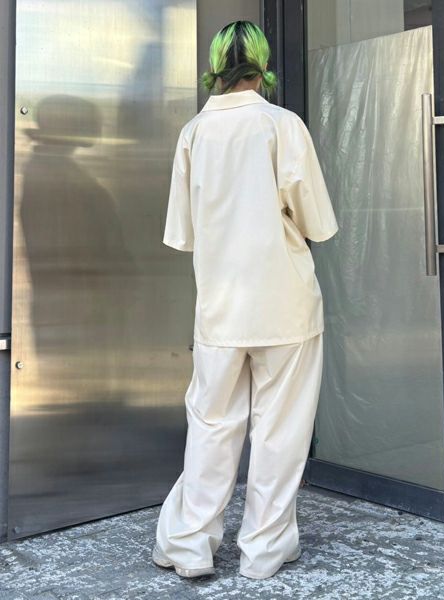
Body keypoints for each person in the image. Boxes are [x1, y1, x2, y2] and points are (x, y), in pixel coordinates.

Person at [152, 20, 339, 580]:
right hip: (285, 303)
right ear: (262, 65)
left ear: (215, 65)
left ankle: (189, 545)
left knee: (212, 425)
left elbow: (182, 231)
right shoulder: (283, 126)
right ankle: (263, 550)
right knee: (281, 431)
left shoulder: (193, 134)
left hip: (219, 308)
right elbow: (317, 222)